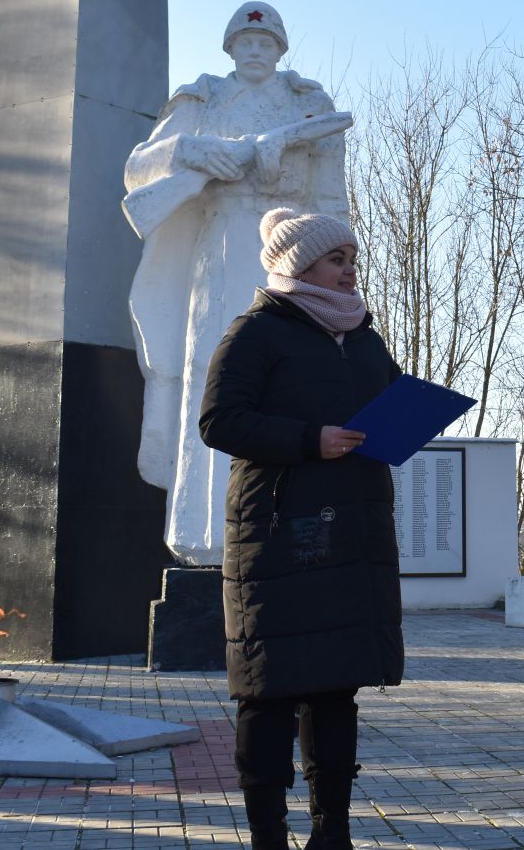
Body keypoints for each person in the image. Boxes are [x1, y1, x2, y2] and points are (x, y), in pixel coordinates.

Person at [198, 208, 403, 850]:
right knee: (270, 690)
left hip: (352, 529)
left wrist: (405, 422)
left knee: (336, 687)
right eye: (336, 259)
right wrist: (308, 440)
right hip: (279, 534)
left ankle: (331, 832)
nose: (350, 271)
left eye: (352, 259)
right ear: (298, 264)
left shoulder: (364, 337)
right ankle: (267, 836)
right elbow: (220, 421)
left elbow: (385, 400)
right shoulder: (256, 332)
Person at [125, 1, 354, 565]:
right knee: (215, 371)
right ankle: (206, 533)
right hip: (223, 242)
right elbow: (138, 170)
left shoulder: (308, 104)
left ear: (281, 48)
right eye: (246, 43)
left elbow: (330, 195)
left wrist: (340, 258)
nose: (256, 51)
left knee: (294, 379)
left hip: (294, 249)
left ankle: (289, 525)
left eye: (267, 43)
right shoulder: (202, 97)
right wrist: (192, 150)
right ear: (230, 47)